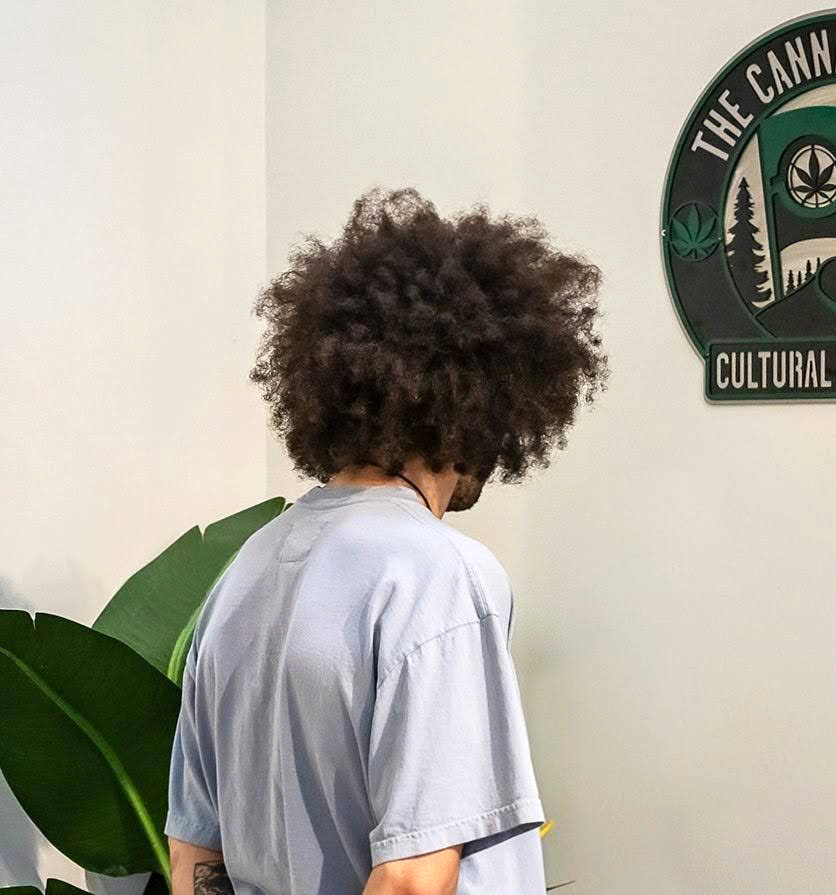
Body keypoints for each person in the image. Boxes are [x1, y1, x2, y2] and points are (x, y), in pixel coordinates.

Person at [163, 187, 607, 894]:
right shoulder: (437, 574)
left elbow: (195, 858)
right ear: (476, 400)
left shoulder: (242, 573)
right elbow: (412, 879)